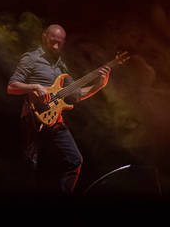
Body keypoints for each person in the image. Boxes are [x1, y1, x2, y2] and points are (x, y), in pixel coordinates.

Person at [7, 24, 110, 195]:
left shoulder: (61, 66)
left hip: (55, 122)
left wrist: (99, 84)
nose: (55, 47)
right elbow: (11, 87)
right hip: (33, 119)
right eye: (52, 42)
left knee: (74, 160)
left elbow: (75, 95)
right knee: (30, 167)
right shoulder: (31, 59)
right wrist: (35, 86)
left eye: (59, 44)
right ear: (44, 37)